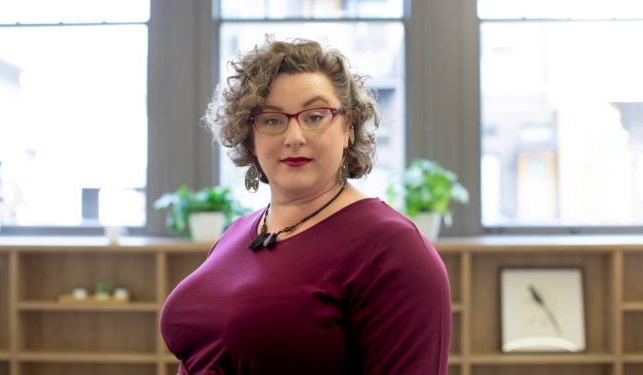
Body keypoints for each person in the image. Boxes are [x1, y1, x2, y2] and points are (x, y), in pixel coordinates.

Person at [160, 36, 452, 375]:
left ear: (347, 128)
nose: (294, 136)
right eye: (272, 120)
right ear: (249, 137)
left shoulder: (394, 250)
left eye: (314, 116)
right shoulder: (241, 231)